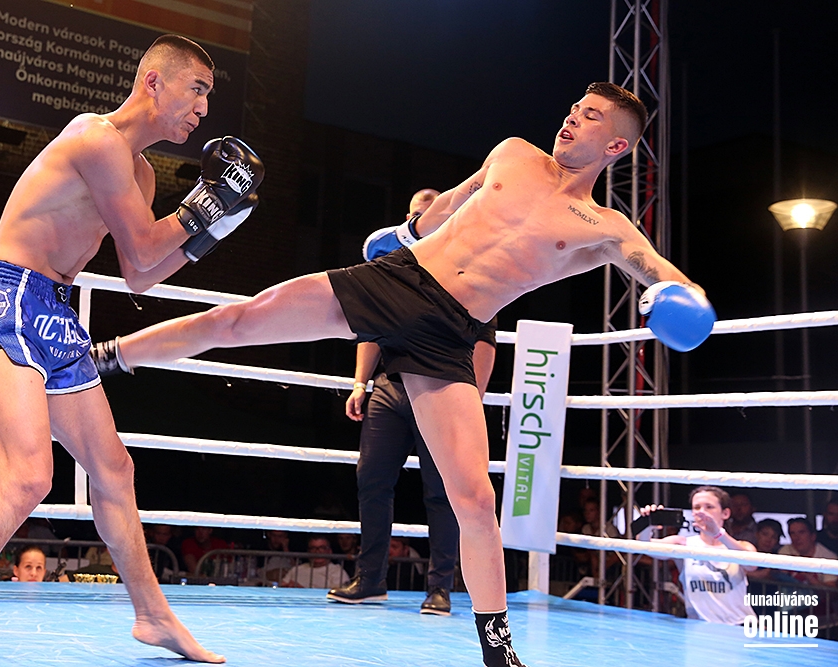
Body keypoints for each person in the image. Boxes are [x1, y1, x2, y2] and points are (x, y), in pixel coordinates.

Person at [91, 82, 709, 667]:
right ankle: (109, 354)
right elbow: (452, 202)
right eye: (575, 107)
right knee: (241, 319)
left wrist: (686, 302)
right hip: (399, 281)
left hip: (452, 333)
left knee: (475, 498)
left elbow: (663, 272)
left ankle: (497, 648)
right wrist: (404, 232)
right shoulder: (515, 153)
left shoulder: (605, 228)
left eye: (591, 116)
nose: (572, 117)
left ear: (616, 145)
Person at [0, 34, 267, 667]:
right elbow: (147, 243)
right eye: (197, 90)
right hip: (10, 297)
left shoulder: (142, 172)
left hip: (56, 312)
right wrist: (204, 206)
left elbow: (141, 273)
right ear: (154, 82)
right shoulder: (95, 138)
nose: (204, 109)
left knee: (115, 470)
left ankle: (154, 618)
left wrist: (211, 230)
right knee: (28, 478)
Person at [328, 188, 496, 617]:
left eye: (430, 214)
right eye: (416, 216)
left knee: (443, 490)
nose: (422, 222)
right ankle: (370, 581)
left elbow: (485, 341)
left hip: (441, 390)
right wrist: (360, 383)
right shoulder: (393, 265)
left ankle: (440, 588)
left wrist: (472, 400)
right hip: (389, 387)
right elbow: (370, 326)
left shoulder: (469, 268)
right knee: (372, 480)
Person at [639, 486, 757, 625]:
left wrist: (719, 534)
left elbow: (752, 565)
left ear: (725, 513)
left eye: (709, 507)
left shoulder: (741, 546)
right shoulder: (684, 544)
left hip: (739, 626)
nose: (702, 512)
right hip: (699, 628)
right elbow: (645, 546)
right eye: (697, 507)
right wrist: (646, 524)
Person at [779, 517, 838, 587]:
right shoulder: (785, 551)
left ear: (813, 536)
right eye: (792, 533)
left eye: (801, 532)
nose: (796, 537)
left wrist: (809, 577)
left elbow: (830, 590)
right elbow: (779, 578)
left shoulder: (829, 558)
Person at [281, 535, 349, 589]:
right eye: (313, 548)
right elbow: (282, 586)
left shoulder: (338, 572)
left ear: (329, 551)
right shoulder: (296, 569)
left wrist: (302, 590)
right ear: (308, 551)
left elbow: (338, 595)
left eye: (322, 548)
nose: (317, 551)